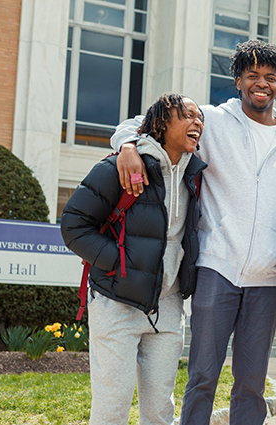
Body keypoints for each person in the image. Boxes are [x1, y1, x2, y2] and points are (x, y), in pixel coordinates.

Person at [110, 41, 276, 425]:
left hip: (266, 279)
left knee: (251, 383)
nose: (261, 83)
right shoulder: (210, 121)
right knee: (203, 375)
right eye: (252, 75)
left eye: (270, 77)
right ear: (238, 80)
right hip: (216, 267)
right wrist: (126, 145)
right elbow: (142, 122)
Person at [61, 94, 207, 425]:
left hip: (168, 309)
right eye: (187, 115)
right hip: (116, 302)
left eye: (201, 119)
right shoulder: (118, 167)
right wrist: (117, 263)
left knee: (159, 409)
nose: (197, 122)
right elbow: (73, 225)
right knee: (113, 402)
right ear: (160, 123)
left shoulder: (194, 174)